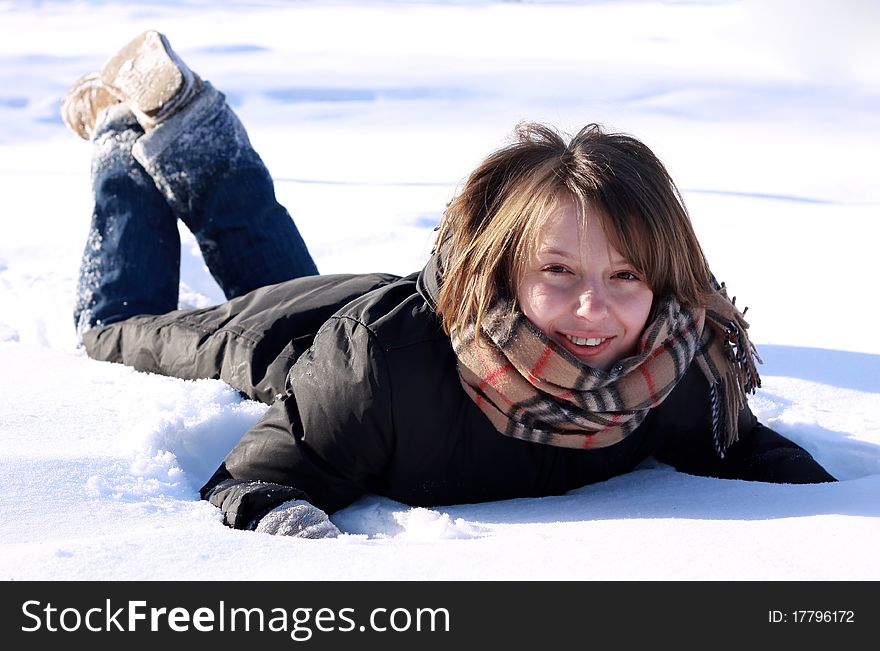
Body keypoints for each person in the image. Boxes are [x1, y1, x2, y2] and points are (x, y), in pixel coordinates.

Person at [62, 30, 835, 539]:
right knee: (117, 328)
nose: (595, 309)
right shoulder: (381, 369)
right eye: (558, 272)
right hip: (290, 344)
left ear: (662, 281)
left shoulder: (669, 363)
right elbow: (258, 475)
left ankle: (191, 125)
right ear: (505, 267)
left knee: (290, 278)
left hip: (350, 315)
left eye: (625, 275)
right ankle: (120, 143)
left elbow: (744, 450)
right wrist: (296, 539)